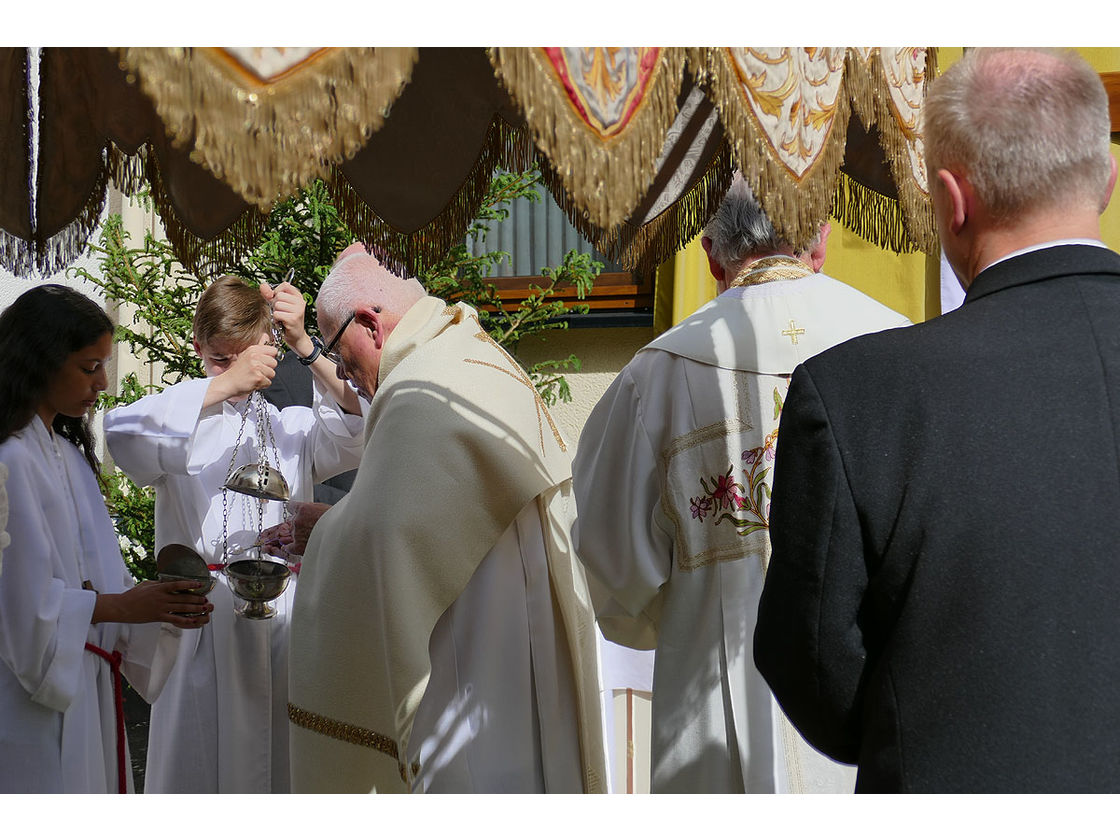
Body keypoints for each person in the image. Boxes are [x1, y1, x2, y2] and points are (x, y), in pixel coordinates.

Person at [754, 48, 1120, 793]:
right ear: (1107, 184)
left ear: (951, 200)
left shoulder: (858, 392)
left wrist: (927, 720)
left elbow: (812, 665)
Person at [571, 175, 911, 793]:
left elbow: (612, 562)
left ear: (710, 258)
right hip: (871, 708)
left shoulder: (660, 373)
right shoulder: (900, 344)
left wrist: (686, 609)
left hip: (713, 709)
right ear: (821, 240)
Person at [279, 245, 607, 793]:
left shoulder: (420, 393)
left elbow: (386, 540)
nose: (345, 375)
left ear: (369, 325)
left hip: (467, 650)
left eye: (338, 353)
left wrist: (326, 529)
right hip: (514, 641)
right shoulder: (467, 353)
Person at [103, 275, 365, 793]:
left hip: (284, 617)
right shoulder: (179, 421)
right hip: (206, 621)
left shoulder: (291, 427)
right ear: (199, 348)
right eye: (221, 359)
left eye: (248, 357)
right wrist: (224, 383)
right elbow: (120, 434)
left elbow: (360, 422)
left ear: (268, 350)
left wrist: (306, 346)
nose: (237, 371)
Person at [0, 284, 212, 794]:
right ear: (40, 362)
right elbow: (20, 609)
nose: (103, 382)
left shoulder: (69, 456)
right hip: (30, 701)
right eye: (89, 366)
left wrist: (159, 604)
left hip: (84, 681)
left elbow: (102, 578)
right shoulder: (10, 461)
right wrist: (119, 607)